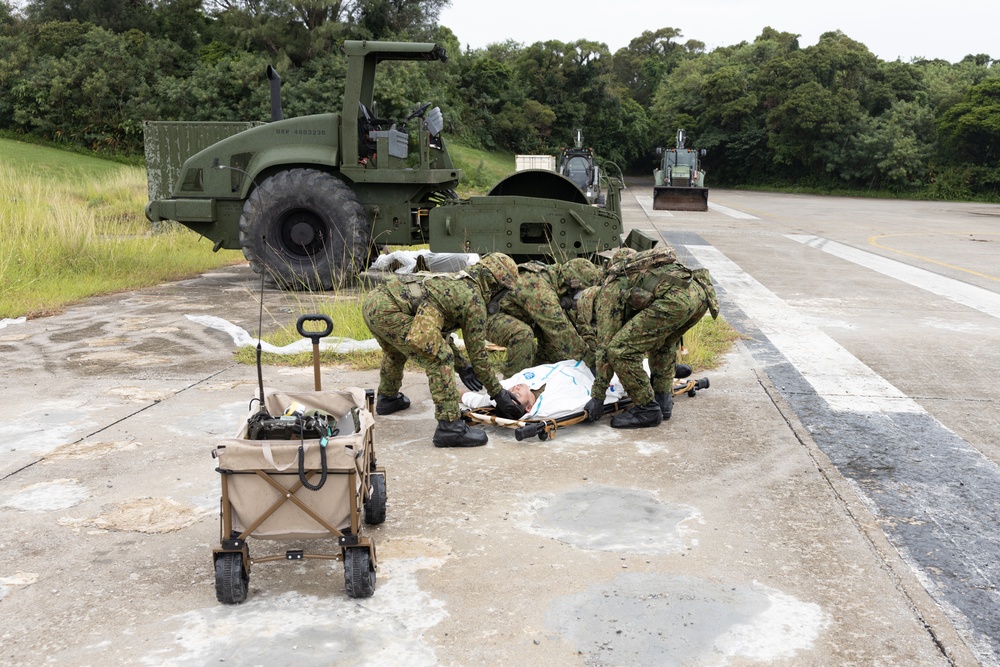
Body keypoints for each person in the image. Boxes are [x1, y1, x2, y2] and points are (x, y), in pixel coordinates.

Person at [362, 252, 526, 447]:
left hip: (375, 302)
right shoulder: (474, 301)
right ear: (495, 284)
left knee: (398, 350)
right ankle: (450, 427)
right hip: (389, 310)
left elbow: (432, 332)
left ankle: (388, 398)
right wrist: (498, 394)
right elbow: (479, 356)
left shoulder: (459, 282)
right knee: (440, 358)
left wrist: (463, 366)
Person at [584, 245, 719, 429]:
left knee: (619, 350)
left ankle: (646, 408)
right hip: (700, 294)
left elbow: (607, 348)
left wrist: (598, 397)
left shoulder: (609, 291)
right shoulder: (646, 269)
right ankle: (662, 401)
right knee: (663, 343)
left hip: (676, 300)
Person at [485, 258, 604, 377]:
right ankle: (512, 386)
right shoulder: (538, 287)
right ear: (571, 284)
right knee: (522, 335)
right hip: (487, 318)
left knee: (552, 344)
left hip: (516, 316)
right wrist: (591, 363)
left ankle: (540, 376)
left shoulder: (553, 280)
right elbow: (559, 329)